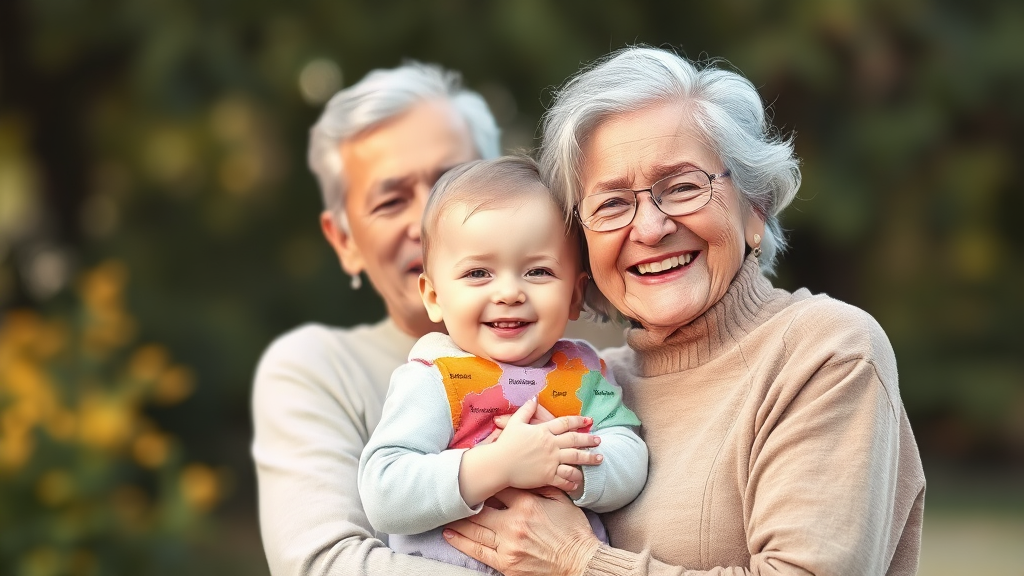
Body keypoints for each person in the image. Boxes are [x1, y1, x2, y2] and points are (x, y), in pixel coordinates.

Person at [441, 46, 927, 576]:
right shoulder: (589, 385)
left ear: (755, 207)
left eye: (683, 187)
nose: (649, 228)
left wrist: (577, 562)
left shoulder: (826, 351)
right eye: (611, 204)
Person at [251, 62, 505, 576]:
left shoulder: (585, 368)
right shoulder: (317, 370)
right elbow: (325, 564)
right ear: (344, 241)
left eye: (451, 182)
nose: (425, 222)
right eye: (390, 200)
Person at [357, 156, 648, 574]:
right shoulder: (434, 377)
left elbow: (631, 453)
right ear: (434, 296)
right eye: (478, 272)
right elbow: (384, 490)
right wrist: (496, 466)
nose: (509, 292)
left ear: (574, 296)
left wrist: (571, 469)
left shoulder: (584, 374)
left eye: (538, 271)